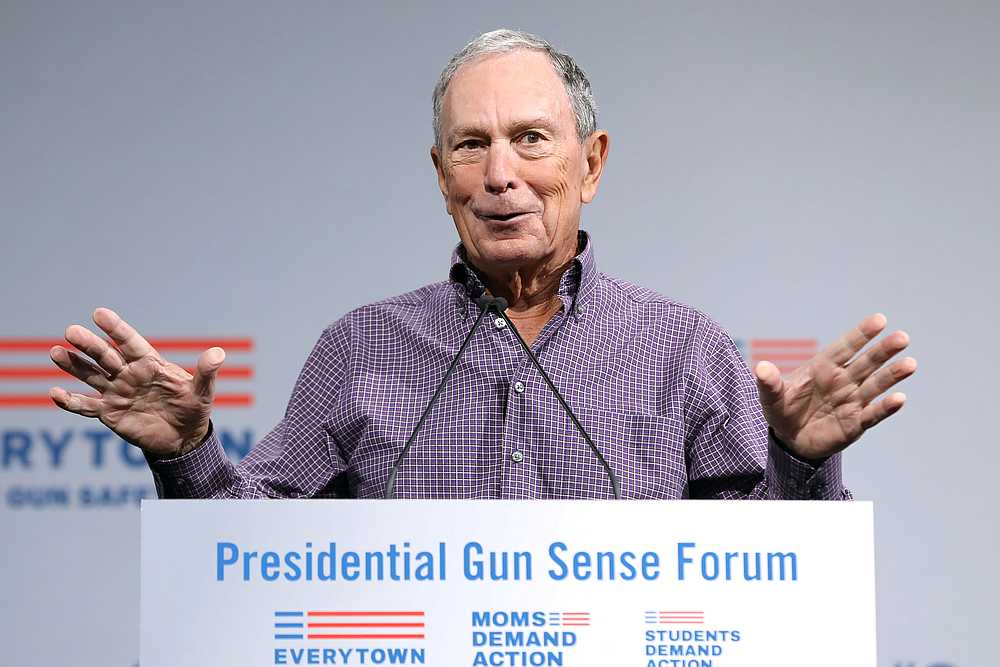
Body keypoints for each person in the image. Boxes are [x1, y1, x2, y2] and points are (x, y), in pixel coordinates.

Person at [46, 29, 916, 500]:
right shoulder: (360, 349)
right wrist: (190, 452)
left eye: (531, 139)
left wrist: (798, 461)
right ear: (440, 176)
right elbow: (251, 563)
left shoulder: (683, 349)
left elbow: (769, 586)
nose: (500, 174)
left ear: (593, 163)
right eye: (471, 145)